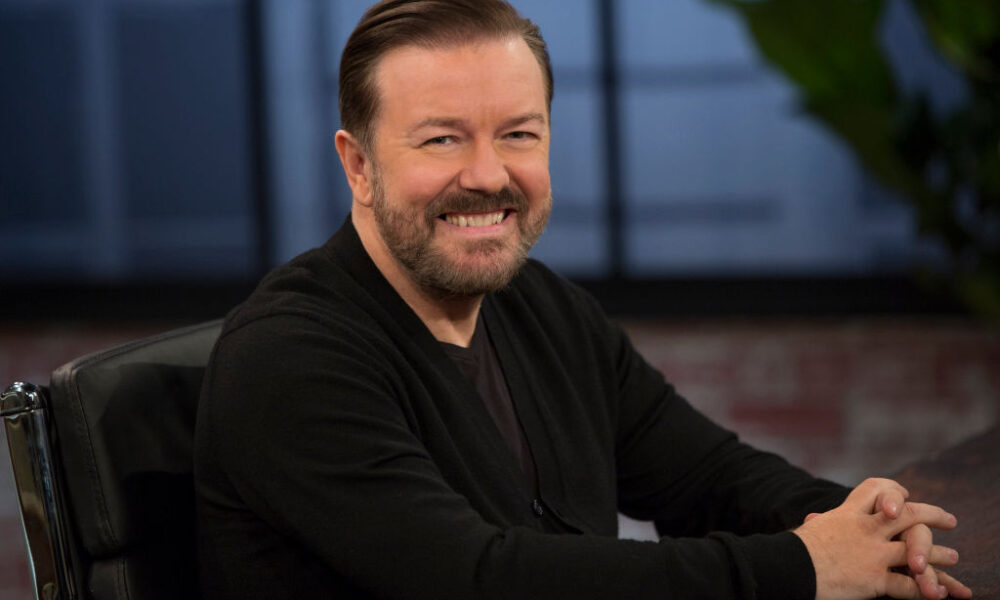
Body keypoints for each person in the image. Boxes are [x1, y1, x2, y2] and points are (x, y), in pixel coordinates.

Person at [193, 1, 972, 598]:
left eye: (519, 134)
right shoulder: (288, 358)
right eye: (441, 139)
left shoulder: (541, 307)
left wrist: (864, 525)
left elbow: (709, 477)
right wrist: (801, 567)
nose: (488, 175)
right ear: (359, 166)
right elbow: (481, 579)